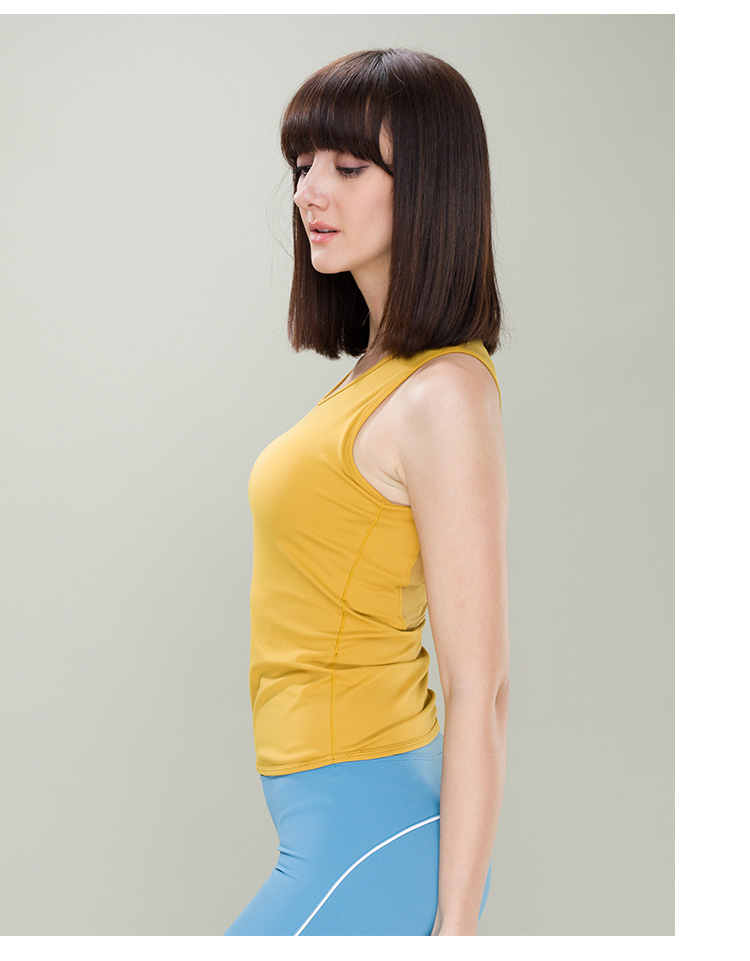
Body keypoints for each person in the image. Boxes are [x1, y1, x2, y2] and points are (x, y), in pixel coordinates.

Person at [223, 47, 510, 937]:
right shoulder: (376, 377)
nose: (309, 192)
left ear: (428, 186)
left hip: (375, 831)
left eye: (348, 167)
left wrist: (456, 925)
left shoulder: (443, 394)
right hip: (334, 821)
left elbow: (482, 683)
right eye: (303, 165)